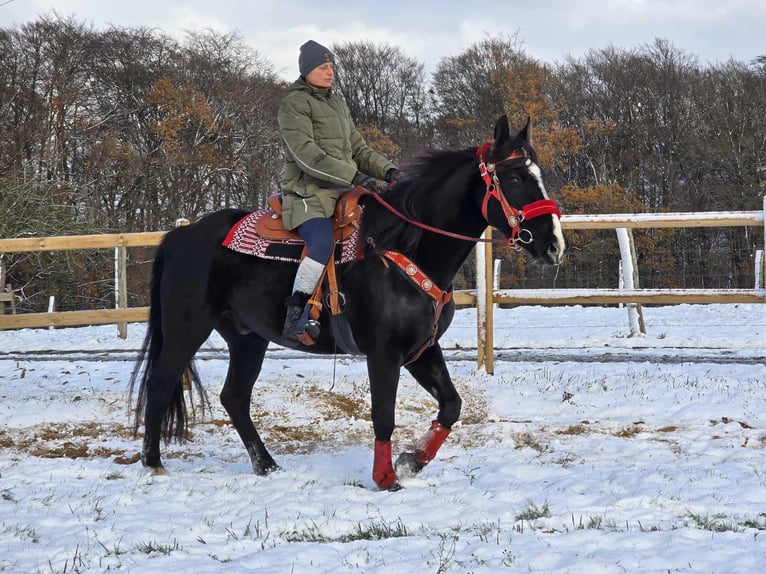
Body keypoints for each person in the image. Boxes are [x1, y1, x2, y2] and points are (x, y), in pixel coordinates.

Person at [277, 40, 401, 344]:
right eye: (323, 67)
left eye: (332, 66)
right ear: (306, 71)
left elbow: (357, 148)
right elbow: (307, 154)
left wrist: (388, 171)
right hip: (308, 193)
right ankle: (297, 314)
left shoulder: (337, 102)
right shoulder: (293, 104)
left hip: (346, 191)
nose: (330, 72)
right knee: (322, 242)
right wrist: (355, 176)